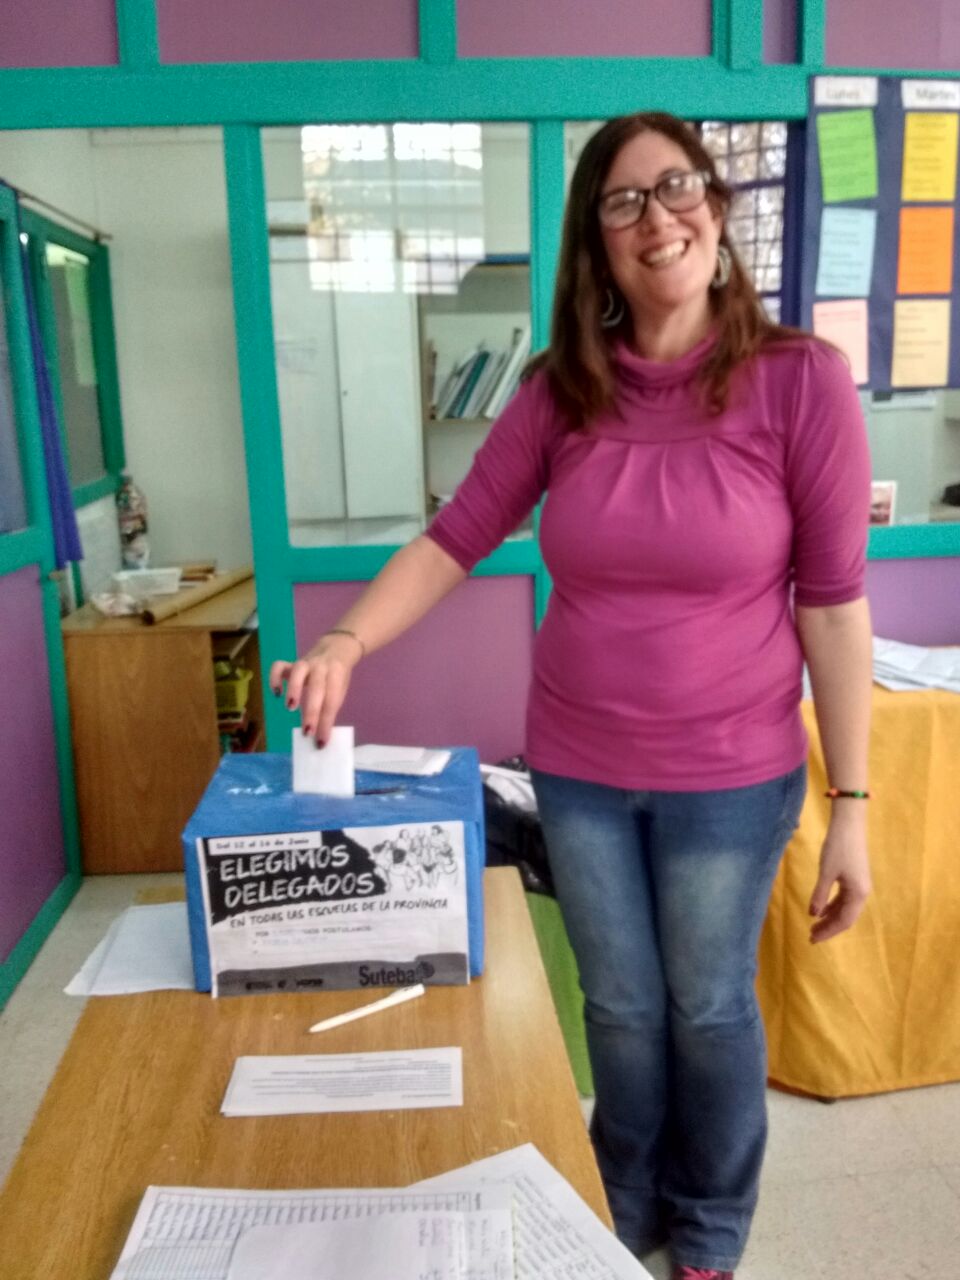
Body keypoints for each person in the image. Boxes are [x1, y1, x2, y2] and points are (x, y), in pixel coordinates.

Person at [271, 112, 873, 1280]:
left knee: (706, 1004)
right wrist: (346, 637)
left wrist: (852, 801)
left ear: (719, 208)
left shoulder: (801, 380)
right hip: (580, 770)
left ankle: (710, 1219)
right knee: (620, 1003)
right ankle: (622, 1190)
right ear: (596, 243)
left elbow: (835, 606)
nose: (659, 218)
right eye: (624, 201)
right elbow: (454, 537)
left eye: (679, 186)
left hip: (731, 776)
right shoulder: (563, 389)